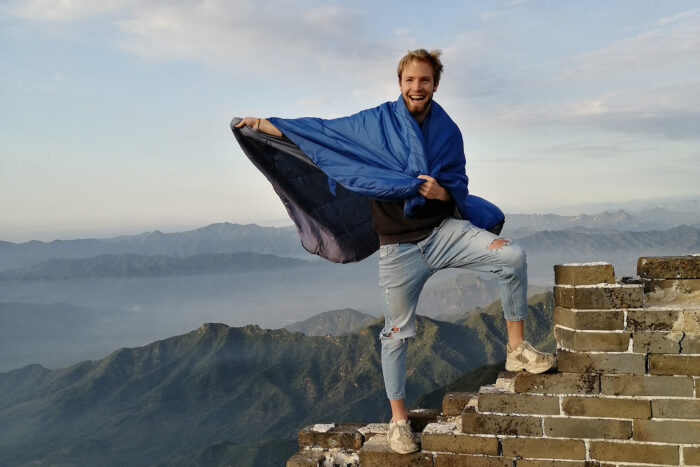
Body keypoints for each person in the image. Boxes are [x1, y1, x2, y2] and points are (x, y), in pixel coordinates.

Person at [234, 49, 555, 455]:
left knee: (512, 257)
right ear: (399, 84)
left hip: (443, 231)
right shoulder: (375, 123)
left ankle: (516, 350)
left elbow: (457, 181)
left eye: (424, 81)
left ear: (435, 84)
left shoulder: (448, 130)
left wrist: (443, 192)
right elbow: (326, 132)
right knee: (395, 335)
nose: (416, 88)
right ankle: (399, 423)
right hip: (398, 249)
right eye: (409, 81)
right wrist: (267, 125)